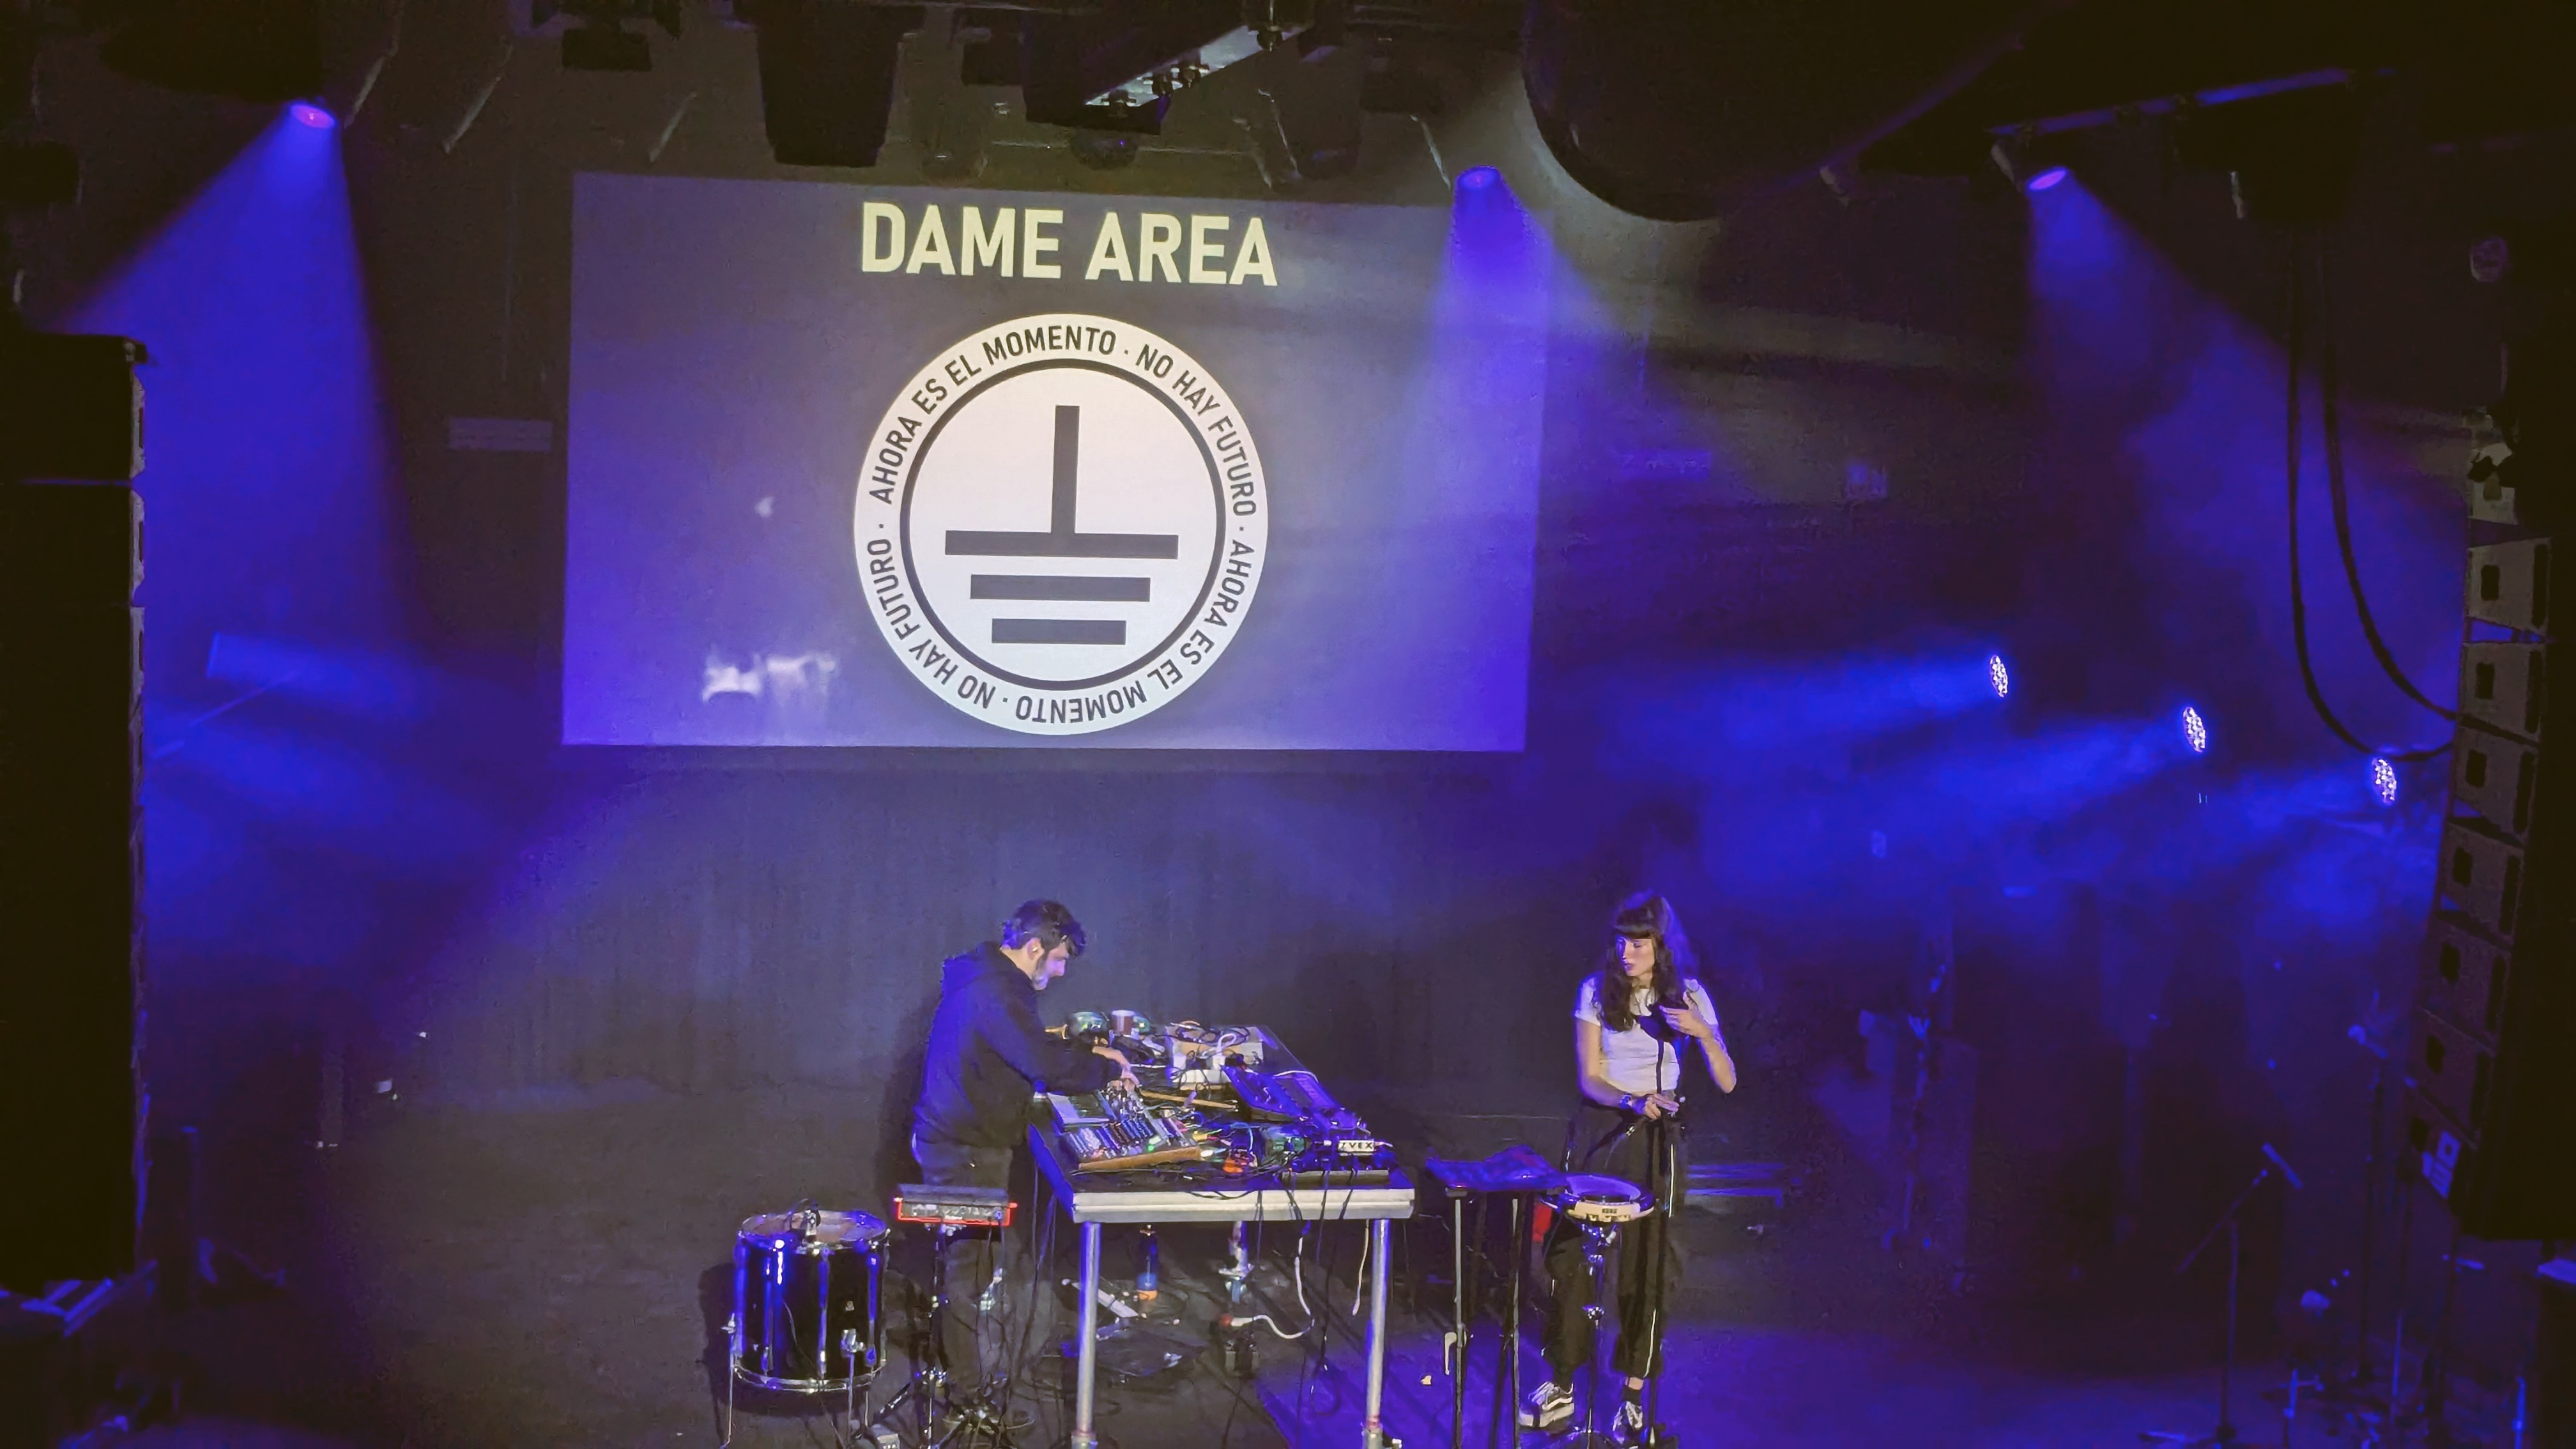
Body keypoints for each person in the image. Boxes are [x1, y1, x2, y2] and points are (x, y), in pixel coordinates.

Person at [1522, 893, 1737, 1443]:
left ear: (1663, 947)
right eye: (1621, 941)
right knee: (1574, 1258)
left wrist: (1703, 1033)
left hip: (1658, 1144)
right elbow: (1589, 1077)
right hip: (1604, 1131)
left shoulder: (1687, 996)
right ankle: (1564, 1380)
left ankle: (1634, 1394)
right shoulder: (1595, 991)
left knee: (1649, 1268)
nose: (1626, 952)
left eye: (1639, 944)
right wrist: (1629, 1100)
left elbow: (1727, 1080)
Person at [909, 900, 1133, 1393]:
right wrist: (1111, 1070)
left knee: (972, 1263)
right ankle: (968, 1393)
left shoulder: (986, 977)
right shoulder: (999, 993)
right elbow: (1045, 1067)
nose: (1059, 971)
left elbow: (1025, 1046)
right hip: (964, 1146)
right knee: (970, 1270)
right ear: (1036, 947)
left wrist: (1087, 1052)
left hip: (956, 1138)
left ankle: (961, 1370)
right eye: (1059, 960)